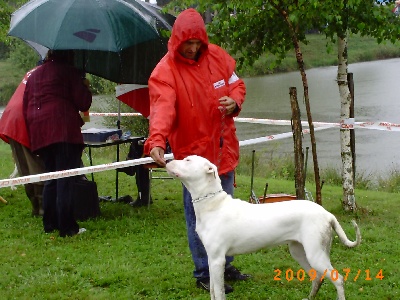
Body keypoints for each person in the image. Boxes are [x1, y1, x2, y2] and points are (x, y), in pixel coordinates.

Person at [143, 8, 248, 293]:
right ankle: (204, 270)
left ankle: (225, 265)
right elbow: (161, 109)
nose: (191, 48)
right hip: (194, 160)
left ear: (203, 39)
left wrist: (234, 101)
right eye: (186, 43)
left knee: (226, 214)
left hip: (223, 151)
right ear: (177, 41)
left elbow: (237, 84)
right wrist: (156, 140)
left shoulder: (218, 57)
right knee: (198, 217)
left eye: (196, 43)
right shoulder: (165, 72)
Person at [23, 50, 92, 237]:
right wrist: (85, 86)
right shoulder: (68, 72)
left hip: (40, 131)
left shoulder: (34, 75)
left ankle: (50, 223)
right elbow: (83, 102)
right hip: (62, 131)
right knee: (65, 179)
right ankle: (67, 227)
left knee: (51, 178)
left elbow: (25, 104)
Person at [0, 66, 46, 216]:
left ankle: (36, 206)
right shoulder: (51, 72)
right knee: (36, 165)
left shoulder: (33, 70)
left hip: (11, 117)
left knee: (24, 167)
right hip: (24, 118)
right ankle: (41, 208)